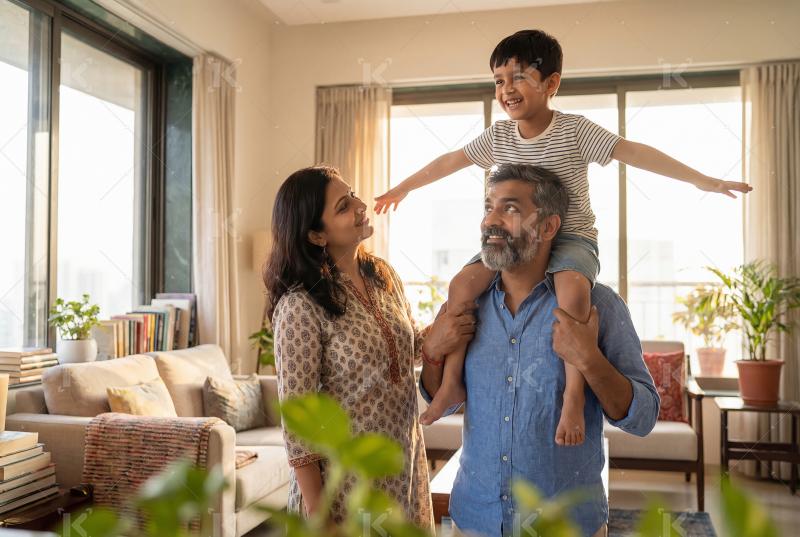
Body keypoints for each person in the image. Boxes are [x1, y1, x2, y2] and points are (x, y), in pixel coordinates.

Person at [376, 29, 750, 445]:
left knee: (572, 290)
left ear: (551, 83)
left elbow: (634, 152)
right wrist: (403, 188)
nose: (506, 89)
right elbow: (450, 160)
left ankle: (573, 396)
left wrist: (704, 180)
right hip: (516, 244)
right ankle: (450, 385)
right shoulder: (499, 136)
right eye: (499, 80)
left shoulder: (573, 130)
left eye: (519, 77)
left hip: (571, 238)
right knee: (462, 284)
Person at [419, 163, 660, 537]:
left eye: (510, 209)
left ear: (548, 227)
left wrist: (589, 360)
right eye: (489, 208)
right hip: (475, 519)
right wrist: (432, 355)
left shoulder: (599, 306)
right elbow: (442, 400)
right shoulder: (466, 303)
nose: (491, 221)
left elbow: (642, 418)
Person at [265, 165, 476, 531]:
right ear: (316, 235)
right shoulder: (300, 306)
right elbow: (299, 424)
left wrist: (446, 323)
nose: (360, 206)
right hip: (344, 490)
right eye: (343, 206)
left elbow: (407, 346)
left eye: (353, 195)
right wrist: (320, 517)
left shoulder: (382, 275)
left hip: (402, 468)